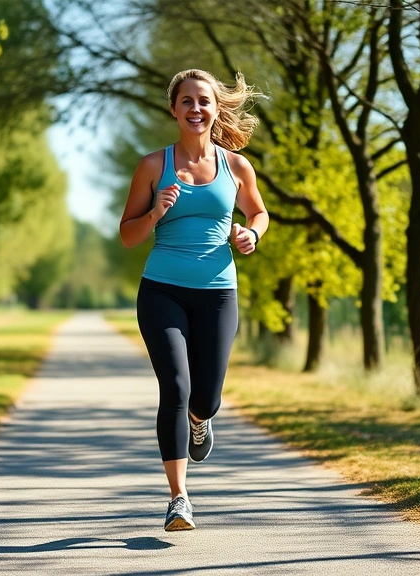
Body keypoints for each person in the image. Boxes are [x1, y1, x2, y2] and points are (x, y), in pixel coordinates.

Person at [119, 68, 269, 532]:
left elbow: (258, 212)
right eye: (186, 101)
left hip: (219, 293)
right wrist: (156, 211)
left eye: (203, 101)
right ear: (174, 109)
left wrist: (251, 235)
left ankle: (201, 421)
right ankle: (179, 498)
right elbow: (127, 236)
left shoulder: (236, 166)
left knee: (206, 396)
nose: (196, 109)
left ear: (215, 108)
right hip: (162, 290)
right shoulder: (152, 166)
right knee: (176, 388)